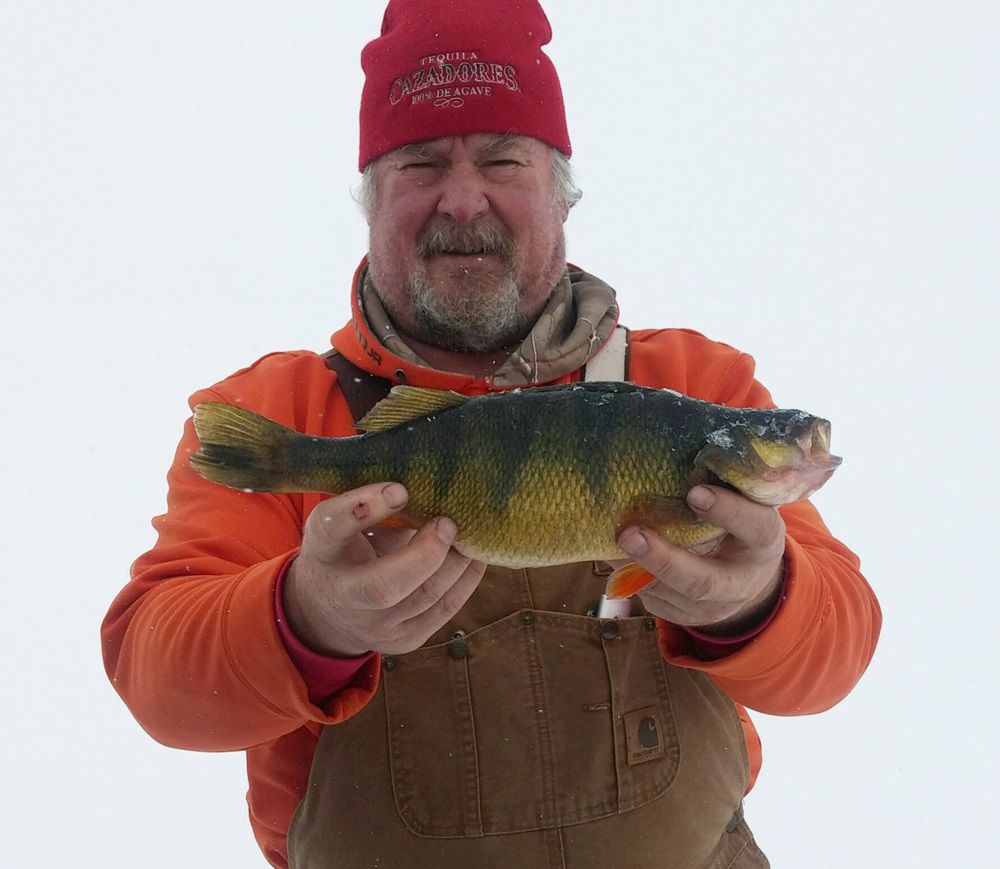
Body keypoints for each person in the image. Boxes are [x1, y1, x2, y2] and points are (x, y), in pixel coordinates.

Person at [101, 1, 881, 867]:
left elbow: (837, 654)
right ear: (370, 199)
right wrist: (307, 617)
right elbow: (157, 681)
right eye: (421, 162)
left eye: (504, 159)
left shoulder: (697, 387)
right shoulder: (282, 412)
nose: (463, 198)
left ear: (562, 194)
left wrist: (757, 597)